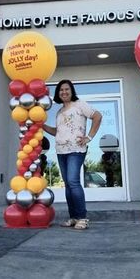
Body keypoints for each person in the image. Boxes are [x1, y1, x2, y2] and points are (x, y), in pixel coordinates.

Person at [43, 80, 102, 230]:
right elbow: (57, 132)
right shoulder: (59, 112)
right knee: (68, 184)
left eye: (66, 89)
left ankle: (82, 217)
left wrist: (89, 137)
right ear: (58, 93)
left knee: (73, 181)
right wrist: (42, 126)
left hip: (76, 149)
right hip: (61, 151)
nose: (64, 92)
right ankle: (74, 217)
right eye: (61, 90)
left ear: (71, 91)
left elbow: (97, 116)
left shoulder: (80, 104)